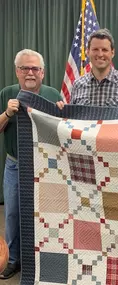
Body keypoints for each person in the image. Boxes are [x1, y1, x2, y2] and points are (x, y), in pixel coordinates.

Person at [0, 49, 62, 279]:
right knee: (13, 215)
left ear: (42, 73)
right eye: (25, 68)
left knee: (49, 214)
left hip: (46, 165)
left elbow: (63, 130)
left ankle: (44, 260)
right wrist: (7, 113)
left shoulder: (52, 93)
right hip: (15, 165)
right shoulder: (7, 93)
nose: (30, 73)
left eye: (35, 68)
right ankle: (14, 261)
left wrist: (62, 113)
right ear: (17, 71)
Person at [57, 28, 118, 109]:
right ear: (87, 52)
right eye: (95, 49)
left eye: (104, 50)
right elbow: (73, 119)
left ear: (112, 53)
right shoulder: (78, 85)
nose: (100, 54)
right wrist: (61, 111)